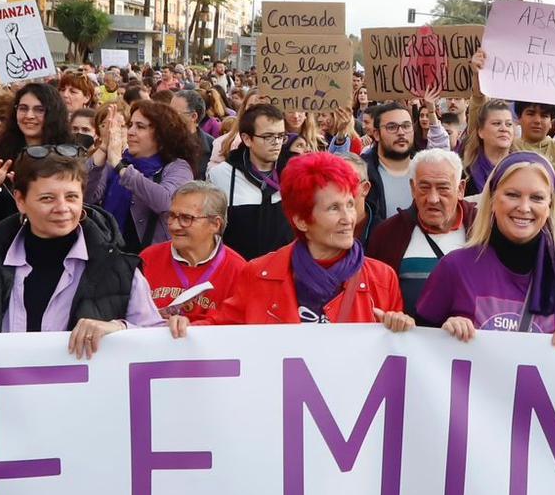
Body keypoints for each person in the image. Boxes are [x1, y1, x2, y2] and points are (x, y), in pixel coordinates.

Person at [0, 149, 161, 361]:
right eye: (47, 198)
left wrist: (118, 328)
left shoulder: (117, 265)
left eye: (72, 197)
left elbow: (155, 339)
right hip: (4, 394)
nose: (62, 208)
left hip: (84, 396)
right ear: (20, 201)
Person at [204, 153, 412, 329]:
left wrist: (400, 326)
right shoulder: (258, 274)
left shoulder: (383, 279)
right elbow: (219, 331)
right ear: (302, 221)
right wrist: (181, 330)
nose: (348, 218)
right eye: (333, 208)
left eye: (349, 204)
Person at [416, 151, 555, 345]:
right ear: (493, 199)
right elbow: (418, 346)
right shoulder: (455, 267)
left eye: (537, 198)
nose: (524, 207)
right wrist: (445, 331)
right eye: (512, 195)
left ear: (550, 206)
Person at [366, 148, 470, 311]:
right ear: (413, 188)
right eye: (424, 187)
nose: (433, 199)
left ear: (461, 189)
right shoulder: (388, 235)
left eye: (443, 188)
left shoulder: (482, 231)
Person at [92, 99, 200, 249]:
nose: (130, 132)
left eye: (140, 127)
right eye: (130, 125)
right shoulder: (120, 161)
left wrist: (121, 167)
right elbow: (87, 195)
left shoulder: (177, 167)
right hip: (109, 255)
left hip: (150, 260)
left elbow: (167, 202)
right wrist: (103, 148)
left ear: (162, 134)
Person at [0, 81, 73, 227]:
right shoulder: (2, 150)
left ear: (53, 113)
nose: (29, 115)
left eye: (39, 110)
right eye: (23, 108)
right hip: (7, 243)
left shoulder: (67, 152)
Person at [138, 182, 245, 324]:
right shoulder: (148, 259)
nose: (174, 226)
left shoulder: (238, 271)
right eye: (172, 216)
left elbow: (236, 329)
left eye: (186, 218)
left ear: (215, 224)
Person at [210, 102, 294, 260]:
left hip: (285, 272)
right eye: (268, 137)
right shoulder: (220, 175)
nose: (276, 143)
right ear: (247, 139)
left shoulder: (295, 172)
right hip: (240, 272)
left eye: (281, 136)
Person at [361, 100, 421, 228]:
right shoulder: (361, 173)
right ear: (376, 134)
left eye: (406, 126)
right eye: (392, 127)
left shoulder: (425, 169)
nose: (401, 132)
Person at [460, 100, 517, 195]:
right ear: (480, 132)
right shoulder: (465, 174)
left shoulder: (522, 168)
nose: (504, 129)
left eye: (509, 124)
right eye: (496, 123)